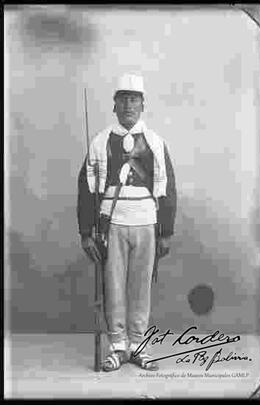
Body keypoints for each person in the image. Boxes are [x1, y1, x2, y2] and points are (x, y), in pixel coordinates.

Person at [77, 73, 177, 372]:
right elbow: (86, 189)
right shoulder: (100, 142)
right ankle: (117, 346)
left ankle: (138, 345)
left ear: (143, 104)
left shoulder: (156, 143)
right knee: (114, 285)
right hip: (113, 225)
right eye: (123, 99)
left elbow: (168, 188)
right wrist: (86, 233)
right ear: (114, 105)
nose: (128, 105)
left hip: (147, 222)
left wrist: (166, 231)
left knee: (141, 286)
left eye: (134, 99)